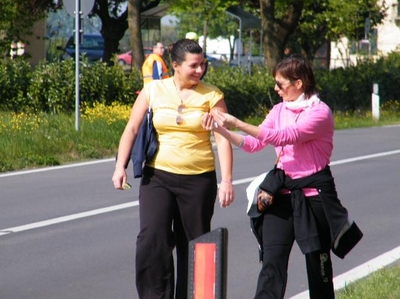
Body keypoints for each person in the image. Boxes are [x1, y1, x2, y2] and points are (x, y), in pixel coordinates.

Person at [202, 55, 363, 299]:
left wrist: (237, 122)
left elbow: (284, 137)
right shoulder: (278, 110)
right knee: (271, 262)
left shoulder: (319, 113)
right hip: (280, 193)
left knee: (317, 263)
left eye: (281, 84)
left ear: (298, 83)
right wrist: (220, 129)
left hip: (313, 195)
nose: (276, 89)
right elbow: (255, 143)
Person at [112, 38, 234, 299]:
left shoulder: (212, 95)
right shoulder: (154, 90)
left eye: (203, 65)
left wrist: (227, 181)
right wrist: (119, 167)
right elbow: (132, 129)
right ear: (176, 65)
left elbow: (223, 139)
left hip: (199, 180)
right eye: (194, 66)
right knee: (151, 239)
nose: (200, 71)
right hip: (158, 176)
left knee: (196, 245)